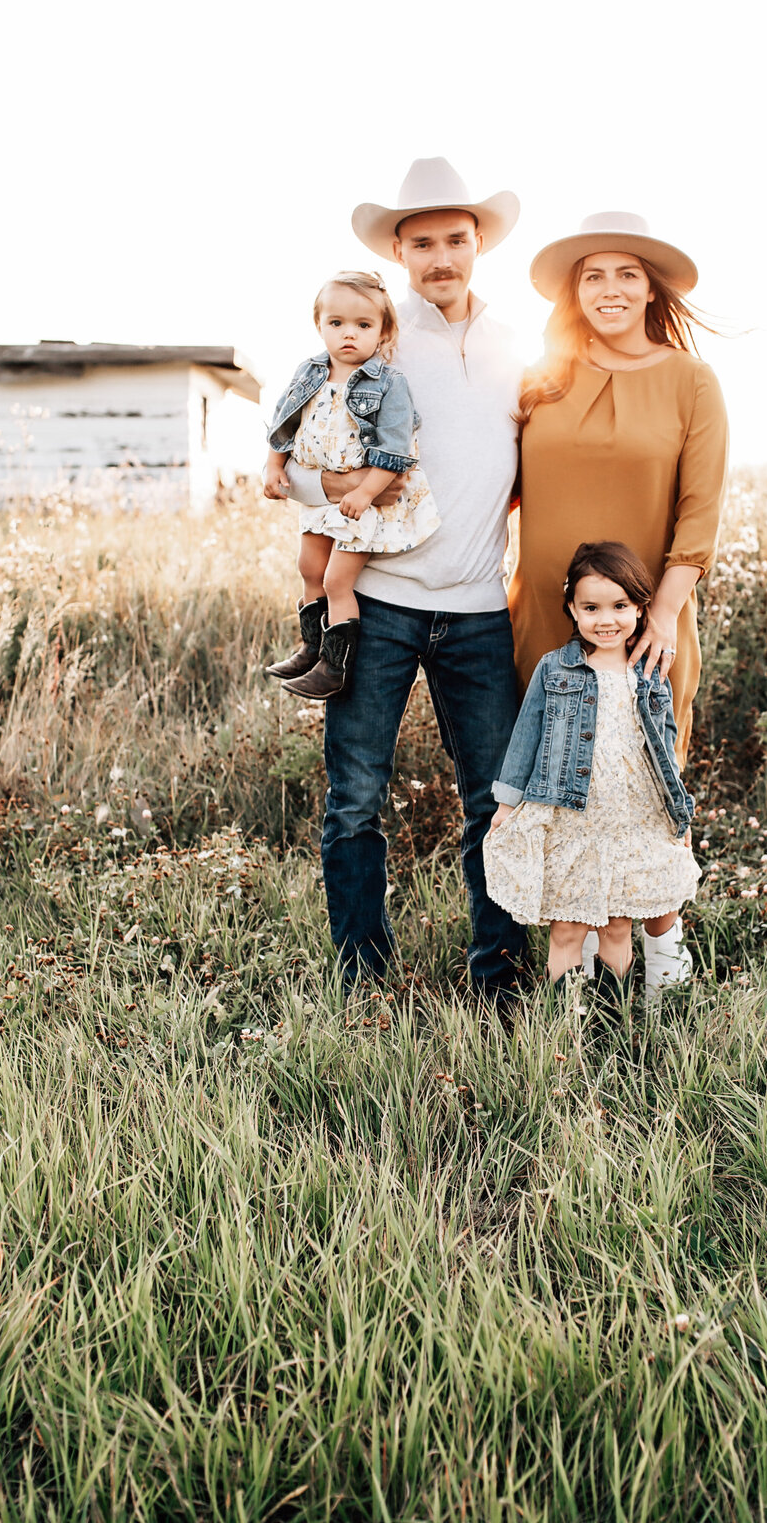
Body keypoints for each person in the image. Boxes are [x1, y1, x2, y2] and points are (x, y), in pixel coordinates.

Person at [283, 158, 529, 1002]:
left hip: (479, 612)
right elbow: (307, 457)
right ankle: (362, 981)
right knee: (354, 799)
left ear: (477, 246)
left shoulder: (518, 350)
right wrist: (327, 493)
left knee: (495, 802)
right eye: (421, 242)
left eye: (455, 240)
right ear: (399, 250)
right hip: (379, 602)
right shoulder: (376, 342)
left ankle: (498, 979)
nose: (440, 257)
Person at [508, 213, 729, 996]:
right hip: (543, 618)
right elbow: (488, 484)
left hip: (648, 623)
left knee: (644, 786)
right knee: (560, 786)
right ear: (575, 290)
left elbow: (699, 513)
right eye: (593, 275)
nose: (610, 289)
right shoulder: (541, 376)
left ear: (650, 288)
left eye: (627, 274)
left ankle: (662, 962)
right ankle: (567, 969)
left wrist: (664, 613)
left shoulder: (690, 381)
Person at [485, 541, 699, 1010]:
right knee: (567, 925)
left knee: (618, 923)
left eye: (621, 606)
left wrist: (680, 818)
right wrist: (505, 807)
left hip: (632, 814)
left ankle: (614, 1019)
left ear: (642, 609)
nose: (607, 619)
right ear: (572, 609)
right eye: (592, 607)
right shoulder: (555, 669)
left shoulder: (648, 672)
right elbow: (526, 738)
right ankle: (568, 1025)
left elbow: (665, 748)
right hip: (573, 816)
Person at [262, 271, 439, 700]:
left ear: (383, 330)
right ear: (320, 325)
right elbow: (284, 425)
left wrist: (364, 492)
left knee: (337, 581)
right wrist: (273, 466)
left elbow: (395, 454)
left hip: (364, 506)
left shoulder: (388, 384)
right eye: (336, 323)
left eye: (363, 325)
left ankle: (334, 666)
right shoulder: (309, 373)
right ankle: (310, 646)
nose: (348, 334)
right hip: (320, 503)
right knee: (309, 570)